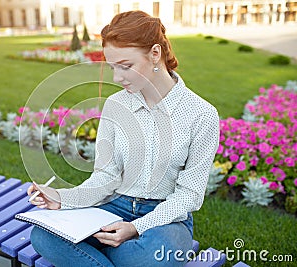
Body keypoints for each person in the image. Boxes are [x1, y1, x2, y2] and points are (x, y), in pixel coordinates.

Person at [27, 10, 220, 267]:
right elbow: (106, 177)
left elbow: (190, 195)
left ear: (155, 54)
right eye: (112, 68)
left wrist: (136, 227)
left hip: (166, 219)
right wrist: (61, 198)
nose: (117, 78)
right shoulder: (116, 105)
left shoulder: (201, 114)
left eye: (126, 66)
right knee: (44, 237)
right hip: (114, 206)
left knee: (156, 254)